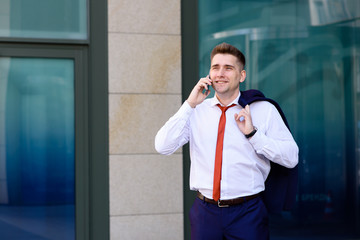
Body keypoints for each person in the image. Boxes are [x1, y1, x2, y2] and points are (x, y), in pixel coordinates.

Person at [155, 42, 299, 240]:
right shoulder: (196, 111)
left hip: (247, 213)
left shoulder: (263, 110)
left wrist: (253, 134)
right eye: (215, 67)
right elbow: (162, 146)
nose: (220, 73)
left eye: (228, 68)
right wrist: (189, 105)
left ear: (242, 76)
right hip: (205, 213)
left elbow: (291, 157)